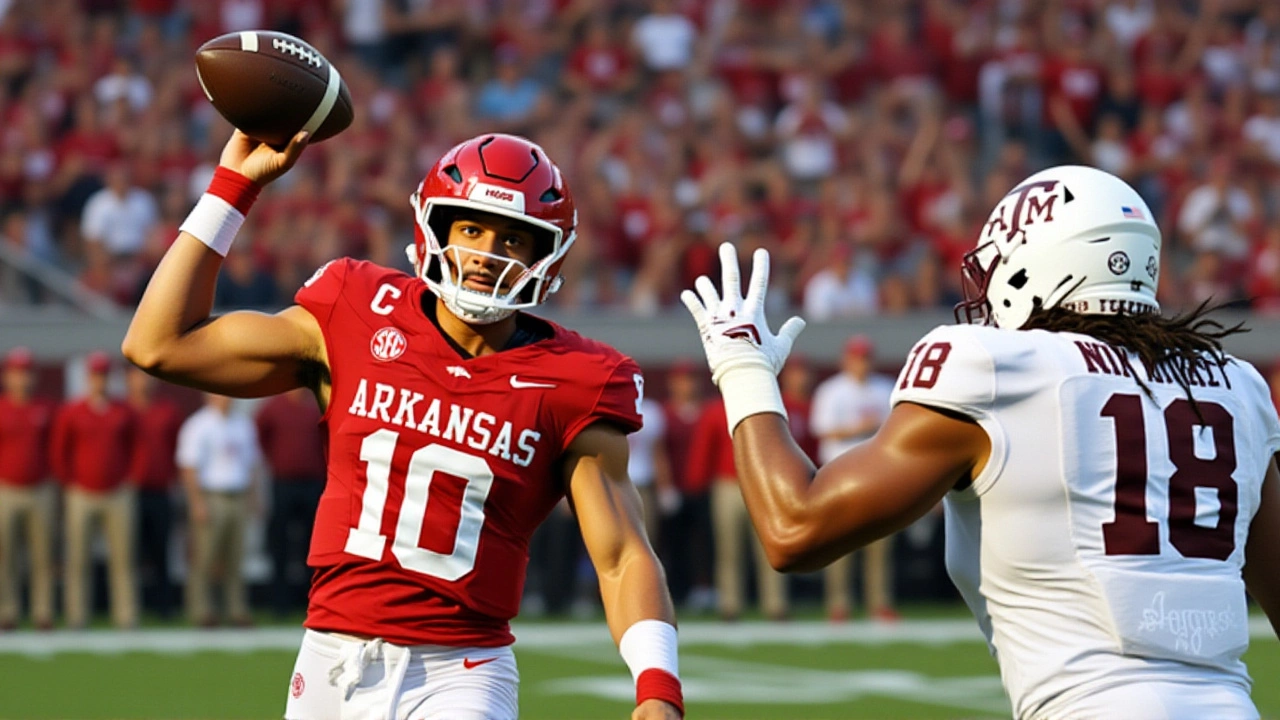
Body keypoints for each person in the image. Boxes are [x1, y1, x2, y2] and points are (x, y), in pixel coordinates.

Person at [681, 165, 1280, 719]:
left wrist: (743, 369)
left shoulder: (995, 365)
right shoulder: (1238, 386)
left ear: (1036, 265)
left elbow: (795, 529)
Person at [122, 130, 682, 720]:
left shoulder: (577, 377)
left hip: (461, 670)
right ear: (434, 229)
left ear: (546, 254)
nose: (488, 254)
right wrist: (234, 188)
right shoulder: (355, 308)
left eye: (513, 238)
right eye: (471, 229)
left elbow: (621, 553)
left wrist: (658, 689)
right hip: (329, 660)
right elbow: (159, 344)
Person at [808, 337, 898, 623]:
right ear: (847, 360)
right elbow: (823, 431)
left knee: (879, 545)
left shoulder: (884, 388)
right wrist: (860, 428)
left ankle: (879, 602)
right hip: (840, 473)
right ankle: (839, 604)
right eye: (857, 358)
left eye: (866, 358)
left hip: (877, 473)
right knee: (839, 544)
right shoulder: (832, 391)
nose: (862, 363)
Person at [51, 350, 139, 629]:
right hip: (82, 493)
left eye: (104, 376)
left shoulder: (122, 411)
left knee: (123, 558)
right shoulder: (73, 411)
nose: (99, 381)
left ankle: (125, 615)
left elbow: (137, 447)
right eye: (95, 375)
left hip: (117, 492)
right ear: (89, 378)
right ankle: (77, 615)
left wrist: (130, 478)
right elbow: (59, 451)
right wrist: (70, 482)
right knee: (77, 557)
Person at [177, 392, 262, 627]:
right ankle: (202, 610)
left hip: (237, 494)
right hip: (212, 495)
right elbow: (189, 466)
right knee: (205, 557)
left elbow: (252, 462)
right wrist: (196, 502)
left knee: (235, 558)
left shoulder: (242, 424)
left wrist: (254, 496)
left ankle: (237, 610)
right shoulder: (199, 425)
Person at [255, 386, 326, 618]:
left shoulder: (315, 406)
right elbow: (259, 435)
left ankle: (310, 601)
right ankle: (279, 603)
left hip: (312, 484)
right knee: (280, 544)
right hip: (283, 483)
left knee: (311, 545)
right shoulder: (274, 408)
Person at [0, 347, 57, 630]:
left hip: (40, 489)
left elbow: (55, 449)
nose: (21, 378)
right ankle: (7, 612)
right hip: (6, 489)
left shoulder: (44, 408)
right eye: (16, 372)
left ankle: (42, 612)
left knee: (42, 555)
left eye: (26, 372)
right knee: (5, 555)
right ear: (8, 376)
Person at [126, 364, 184, 620]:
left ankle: (164, 607)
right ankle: (131, 609)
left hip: (161, 490)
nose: (143, 382)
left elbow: (177, 450)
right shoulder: (122, 411)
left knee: (162, 550)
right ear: (129, 379)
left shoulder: (168, 411)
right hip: (131, 491)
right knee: (131, 552)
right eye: (138, 376)